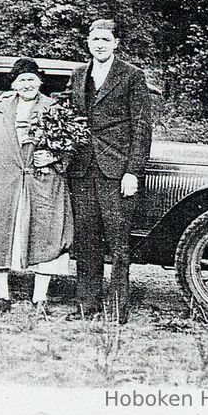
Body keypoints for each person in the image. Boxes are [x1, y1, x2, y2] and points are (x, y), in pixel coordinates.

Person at [66, 19, 152, 324]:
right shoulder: (78, 75)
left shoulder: (131, 76)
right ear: (87, 42)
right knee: (86, 241)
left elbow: (141, 128)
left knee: (118, 243)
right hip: (82, 170)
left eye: (105, 39)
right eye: (94, 39)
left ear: (116, 43)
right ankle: (85, 306)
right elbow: (67, 118)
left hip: (116, 172)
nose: (99, 44)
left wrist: (133, 172)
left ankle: (116, 310)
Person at [0, 58, 73, 315]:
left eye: (32, 79)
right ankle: (2, 296)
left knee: (44, 233)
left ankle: (40, 297)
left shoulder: (54, 108)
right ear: (14, 83)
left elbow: (71, 146)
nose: (27, 84)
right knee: (0, 233)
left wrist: (55, 157)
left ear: (40, 81)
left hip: (43, 181)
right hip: (5, 180)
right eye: (22, 79)